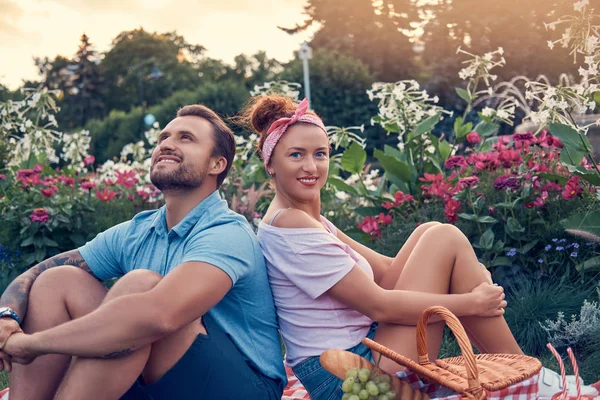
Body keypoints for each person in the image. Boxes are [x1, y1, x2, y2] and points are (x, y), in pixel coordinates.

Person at [240, 95, 598, 400]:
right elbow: (378, 303)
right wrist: (471, 302)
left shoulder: (303, 219)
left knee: (433, 230)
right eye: (296, 155)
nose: (311, 166)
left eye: (320, 153)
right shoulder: (291, 224)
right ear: (270, 163)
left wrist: (460, 273)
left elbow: (384, 271)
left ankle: (526, 378)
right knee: (444, 238)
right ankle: (531, 381)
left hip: (365, 350)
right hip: (350, 374)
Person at [0, 104, 286, 400]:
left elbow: (159, 317)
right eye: (164, 137)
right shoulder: (139, 230)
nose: (167, 144)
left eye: (185, 138)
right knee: (56, 281)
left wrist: (32, 343)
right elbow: (38, 274)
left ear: (216, 164)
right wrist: (6, 316)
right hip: (160, 382)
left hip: (242, 388)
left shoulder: (226, 232)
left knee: (140, 287)